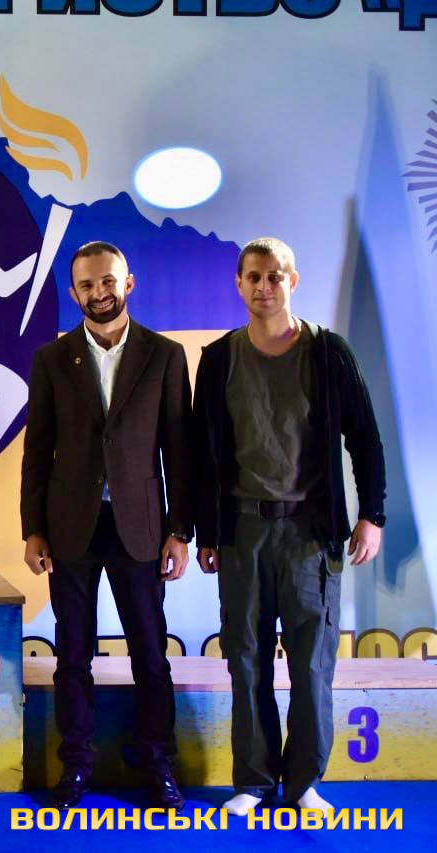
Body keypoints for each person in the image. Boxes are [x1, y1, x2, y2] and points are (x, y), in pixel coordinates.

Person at [193, 237, 385, 815]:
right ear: (238, 284)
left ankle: (304, 782)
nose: (263, 286)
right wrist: (208, 533)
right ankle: (253, 780)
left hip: (310, 534)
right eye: (253, 277)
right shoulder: (219, 358)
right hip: (243, 531)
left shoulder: (328, 353)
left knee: (311, 663)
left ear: (293, 281)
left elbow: (365, 439)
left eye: (274, 276)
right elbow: (204, 454)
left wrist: (372, 515)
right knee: (246, 658)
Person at [21, 241, 192, 810]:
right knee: (73, 654)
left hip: (140, 527)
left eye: (108, 281)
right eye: (88, 285)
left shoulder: (165, 356)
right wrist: (32, 528)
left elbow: (179, 451)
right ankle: (76, 766)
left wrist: (180, 530)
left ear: (128, 283)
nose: (100, 293)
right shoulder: (52, 358)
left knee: (150, 654)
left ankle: (159, 765)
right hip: (70, 527)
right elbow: (37, 450)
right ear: (74, 293)